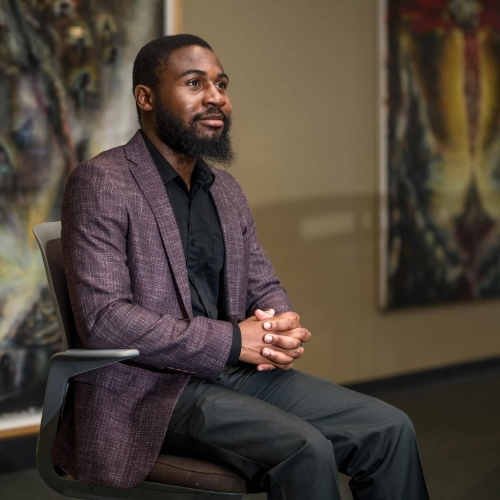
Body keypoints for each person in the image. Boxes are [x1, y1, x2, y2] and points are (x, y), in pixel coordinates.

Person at [54, 34, 429, 500]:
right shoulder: (102, 181)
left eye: (222, 84)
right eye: (195, 83)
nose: (216, 97)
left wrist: (277, 328)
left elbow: (262, 283)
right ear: (145, 97)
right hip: (147, 391)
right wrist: (235, 340)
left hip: (231, 374)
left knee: (389, 428)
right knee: (305, 449)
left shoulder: (224, 189)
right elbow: (105, 320)